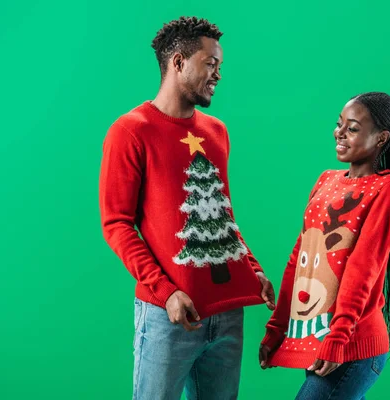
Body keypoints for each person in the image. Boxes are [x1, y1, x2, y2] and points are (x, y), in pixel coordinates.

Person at [99, 16, 275, 400]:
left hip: (228, 314)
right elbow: (117, 224)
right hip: (167, 316)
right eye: (211, 64)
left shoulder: (217, 132)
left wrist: (252, 269)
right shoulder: (130, 131)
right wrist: (166, 293)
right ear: (178, 62)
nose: (218, 75)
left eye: (220, 66)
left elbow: (221, 216)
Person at [259, 92, 390, 399]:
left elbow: (363, 267)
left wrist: (338, 337)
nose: (339, 133)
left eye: (352, 128)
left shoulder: (389, 188)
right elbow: (298, 260)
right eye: (339, 124)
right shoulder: (326, 180)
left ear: (381, 138)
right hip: (320, 341)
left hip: (352, 346)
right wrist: (277, 329)